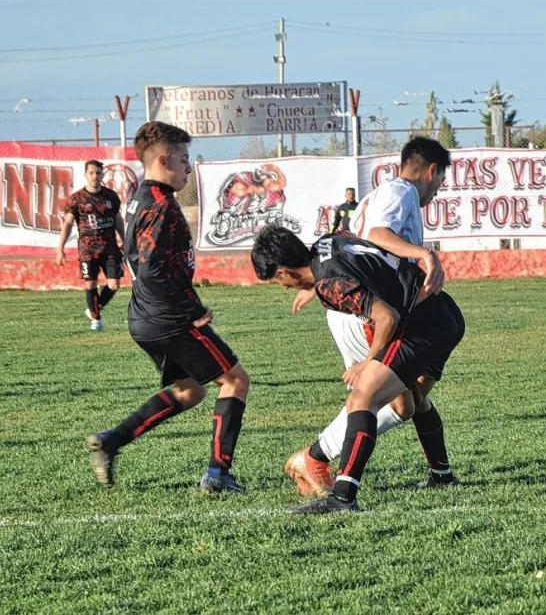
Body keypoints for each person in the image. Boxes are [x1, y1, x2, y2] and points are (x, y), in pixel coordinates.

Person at [85, 121, 251, 493]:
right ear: (163, 159)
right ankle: (218, 475)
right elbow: (154, 269)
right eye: (184, 159)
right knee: (236, 380)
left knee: (190, 391)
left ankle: (111, 440)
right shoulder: (162, 207)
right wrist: (194, 309)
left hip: (144, 317)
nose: (188, 167)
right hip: (169, 317)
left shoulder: (138, 197)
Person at [252, 226, 465, 513]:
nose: (285, 288)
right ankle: (442, 476)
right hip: (444, 312)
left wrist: (367, 362)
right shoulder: (328, 242)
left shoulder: (329, 284)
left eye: (278, 281)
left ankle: (342, 498)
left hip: (422, 325)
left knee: (362, 398)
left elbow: (386, 317)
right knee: (414, 398)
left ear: (285, 272)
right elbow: (358, 249)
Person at [283, 137, 452, 498]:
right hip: (368, 311)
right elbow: (377, 235)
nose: (438, 190)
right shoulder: (403, 190)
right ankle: (316, 457)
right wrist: (425, 254)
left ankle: (442, 473)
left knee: (411, 398)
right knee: (381, 397)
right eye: (440, 181)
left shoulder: (378, 195)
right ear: (432, 171)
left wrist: (317, 284)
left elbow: (353, 245)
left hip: (363, 303)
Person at [56, 160, 125, 330]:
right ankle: (96, 320)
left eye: (98, 173)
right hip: (88, 250)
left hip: (110, 248)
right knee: (90, 284)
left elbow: (118, 220)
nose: (95, 176)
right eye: (92, 173)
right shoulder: (77, 199)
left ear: (103, 175)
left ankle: (94, 309)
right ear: (86, 175)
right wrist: (60, 249)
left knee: (114, 285)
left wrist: (124, 239)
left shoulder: (111, 196)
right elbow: (68, 224)